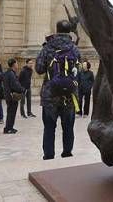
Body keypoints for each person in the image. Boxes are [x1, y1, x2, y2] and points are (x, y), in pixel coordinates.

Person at [36, 19, 81, 160]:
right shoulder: (74, 48)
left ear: (56, 30)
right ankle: (67, 153)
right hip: (69, 95)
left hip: (50, 95)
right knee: (68, 127)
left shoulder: (48, 47)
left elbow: (39, 69)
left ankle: (49, 155)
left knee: (49, 128)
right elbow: (77, 71)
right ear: (69, 32)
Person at [1, 58, 25, 134]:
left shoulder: (7, 73)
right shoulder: (11, 74)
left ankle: (10, 127)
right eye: (17, 63)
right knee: (11, 113)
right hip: (12, 96)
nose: (17, 65)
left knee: (10, 113)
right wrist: (22, 89)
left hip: (9, 96)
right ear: (14, 64)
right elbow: (15, 85)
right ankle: (8, 128)